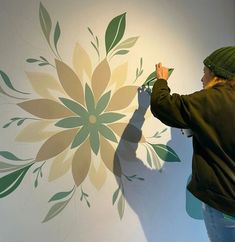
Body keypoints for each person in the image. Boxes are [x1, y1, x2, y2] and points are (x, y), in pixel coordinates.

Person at [150, 46, 235, 242]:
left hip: (224, 202)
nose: (202, 78)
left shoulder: (209, 100)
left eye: (205, 72)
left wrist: (161, 81)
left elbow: (163, 105)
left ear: (217, 75)